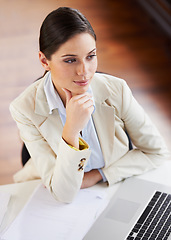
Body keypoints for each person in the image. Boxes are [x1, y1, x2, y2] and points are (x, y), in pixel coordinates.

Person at [10, 7, 169, 203]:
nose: (84, 71)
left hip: (113, 186)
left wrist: (98, 175)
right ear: (44, 61)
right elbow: (64, 194)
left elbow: (157, 152)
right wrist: (71, 130)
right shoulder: (24, 108)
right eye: (70, 60)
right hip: (57, 198)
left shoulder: (116, 89)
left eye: (91, 56)